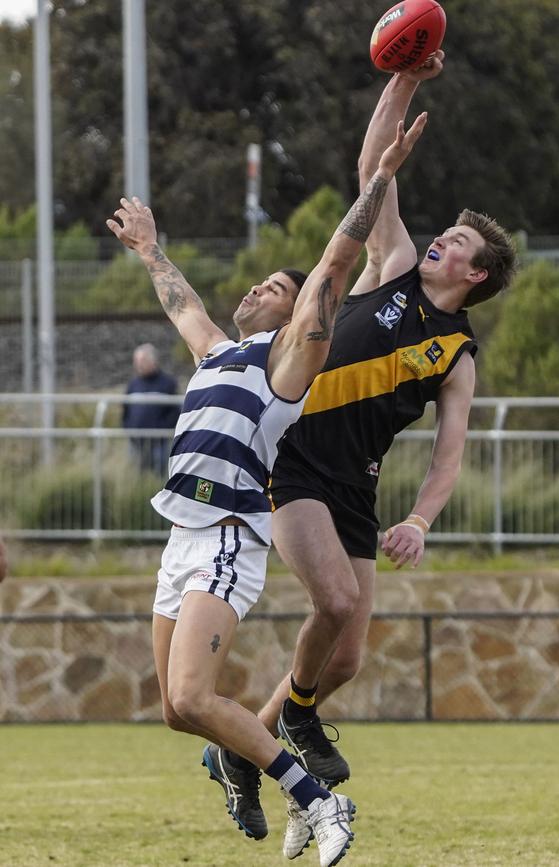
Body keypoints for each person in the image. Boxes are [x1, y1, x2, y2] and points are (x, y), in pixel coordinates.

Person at [106, 112, 427, 867]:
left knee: (192, 696)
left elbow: (335, 265)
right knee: (178, 712)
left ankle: (319, 799)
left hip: (226, 537)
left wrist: (380, 178)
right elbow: (180, 303)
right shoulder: (218, 351)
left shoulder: (286, 365)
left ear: (295, 316)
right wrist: (151, 248)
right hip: (181, 536)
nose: (260, 287)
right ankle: (246, 762)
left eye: (275, 286)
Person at [237, 50, 517, 854]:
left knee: (349, 653)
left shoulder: (457, 353)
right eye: (445, 231)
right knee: (332, 603)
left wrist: (422, 520)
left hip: (353, 484)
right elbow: (371, 169)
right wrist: (405, 80)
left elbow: (448, 456)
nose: (441, 240)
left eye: (458, 241)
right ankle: (287, 723)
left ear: (479, 272)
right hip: (293, 456)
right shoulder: (392, 266)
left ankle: (242, 746)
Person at [123, 343, 180, 474]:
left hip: (159, 443)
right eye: (136, 361)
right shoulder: (133, 384)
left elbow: (175, 411)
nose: (138, 364)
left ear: (153, 361)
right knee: (136, 477)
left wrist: (162, 428)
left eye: (142, 360)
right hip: (136, 443)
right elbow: (125, 410)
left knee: (159, 478)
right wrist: (128, 429)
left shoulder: (168, 383)